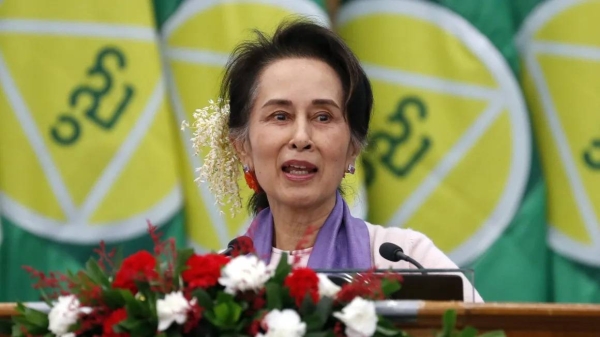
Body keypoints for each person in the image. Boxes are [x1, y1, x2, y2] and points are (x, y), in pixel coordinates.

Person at [190, 19, 483, 303]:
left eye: (323, 117)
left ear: (353, 148)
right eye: (280, 116)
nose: (301, 137)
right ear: (242, 146)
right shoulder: (216, 282)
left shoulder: (402, 260)